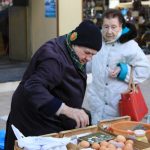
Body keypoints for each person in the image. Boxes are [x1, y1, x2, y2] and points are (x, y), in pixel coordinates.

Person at [5, 20, 102, 149]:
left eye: (93, 55)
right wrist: (66, 110)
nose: (89, 58)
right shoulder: (54, 58)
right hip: (33, 120)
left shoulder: (72, 49)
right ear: (75, 42)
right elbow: (34, 87)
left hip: (49, 118)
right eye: (87, 52)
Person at [83, 9, 150, 125]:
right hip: (97, 104)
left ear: (121, 26)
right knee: (99, 139)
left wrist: (123, 70)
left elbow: (145, 69)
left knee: (118, 140)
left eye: (113, 27)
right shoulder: (95, 41)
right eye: (106, 27)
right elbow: (87, 65)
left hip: (119, 105)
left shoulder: (130, 45)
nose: (109, 31)